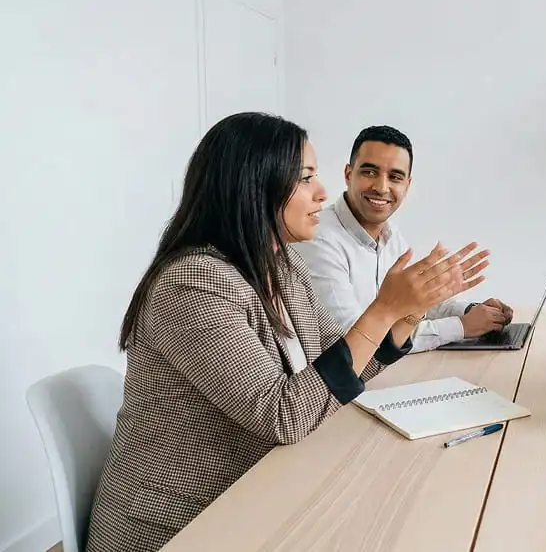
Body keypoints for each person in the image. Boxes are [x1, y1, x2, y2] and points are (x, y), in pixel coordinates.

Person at [86, 113, 488, 552]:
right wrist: (383, 310)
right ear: (254, 185)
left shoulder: (281, 266)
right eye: (306, 179)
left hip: (258, 492)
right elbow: (284, 414)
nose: (322, 193)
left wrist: (408, 315)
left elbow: (336, 363)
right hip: (182, 525)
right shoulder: (193, 285)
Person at [291, 125, 514, 352]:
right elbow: (352, 338)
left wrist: (472, 312)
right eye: (369, 172)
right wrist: (461, 327)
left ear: (407, 186)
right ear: (349, 175)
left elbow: (415, 305)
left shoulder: (390, 236)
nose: (381, 187)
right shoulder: (319, 238)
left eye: (395, 177)